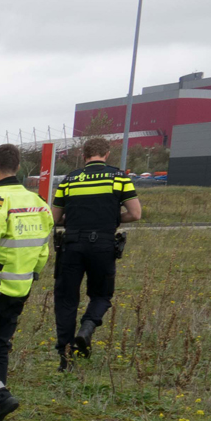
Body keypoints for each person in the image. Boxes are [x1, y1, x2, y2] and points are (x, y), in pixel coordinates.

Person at [0, 143, 54, 421]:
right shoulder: (39, 203)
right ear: (18, 168)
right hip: (21, 287)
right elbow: (43, 250)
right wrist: (31, 275)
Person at [52, 135, 142, 368]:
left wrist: (74, 222)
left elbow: (55, 218)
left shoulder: (70, 180)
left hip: (72, 244)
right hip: (102, 244)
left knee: (66, 299)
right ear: (107, 154)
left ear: (84, 155)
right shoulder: (120, 178)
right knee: (101, 295)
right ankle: (87, 327)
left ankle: (65, 355)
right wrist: (110, 221)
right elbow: (135, 214)